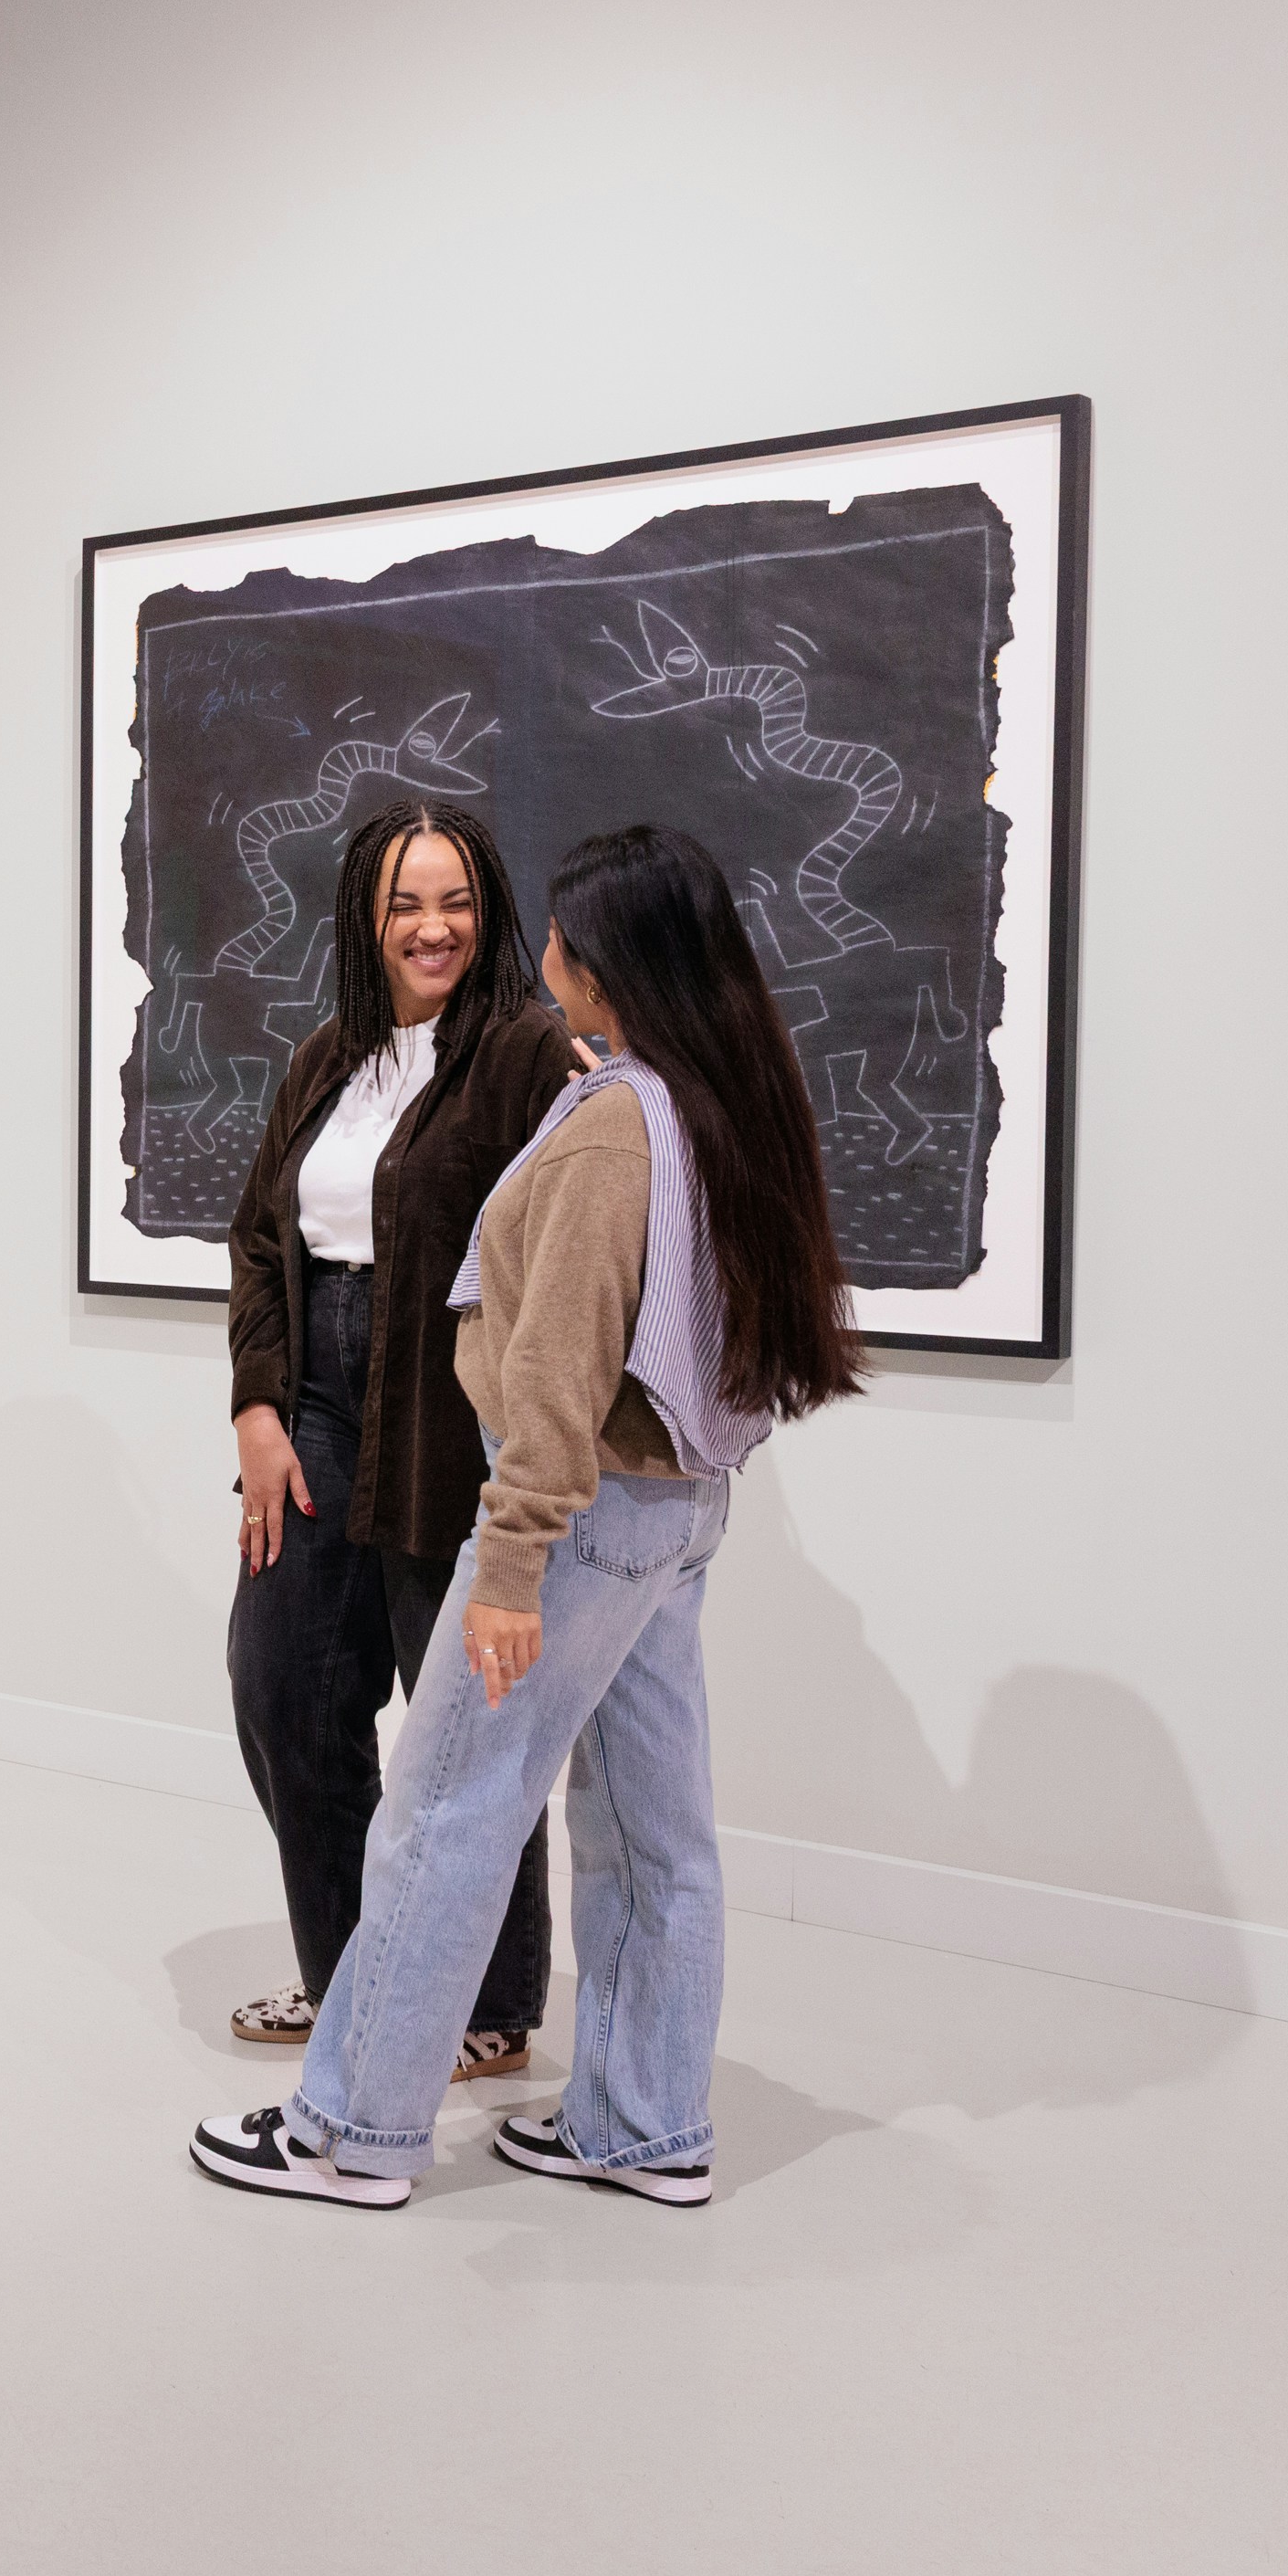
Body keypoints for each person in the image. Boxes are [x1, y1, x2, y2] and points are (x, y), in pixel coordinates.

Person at [190, 822, 864, 2212]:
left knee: (441, 1811)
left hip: (581, 1514)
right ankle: (643, 2124)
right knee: (652, 1833)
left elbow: (558, 1371)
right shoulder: (709, 1089)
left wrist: (504, 1572)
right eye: (409, 904)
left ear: (602, 960)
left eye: (537, 925)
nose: (527, 949)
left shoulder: (605, 1118)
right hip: (674, 1507)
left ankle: (351, 2132)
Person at [218, 801, 577, 2073]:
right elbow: (264, 1237)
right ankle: (357, 1975)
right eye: (405, 905)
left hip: (453, 1412)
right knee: (282, 1691)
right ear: (364, 922)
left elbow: (573, 1249)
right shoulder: (327, 1057)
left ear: (489, 910)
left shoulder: (532, 1056)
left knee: (466, 1723)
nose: (434, 929)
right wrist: (260, 1407)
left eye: (457, 901)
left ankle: (488, 2005)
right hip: (315, 1400)